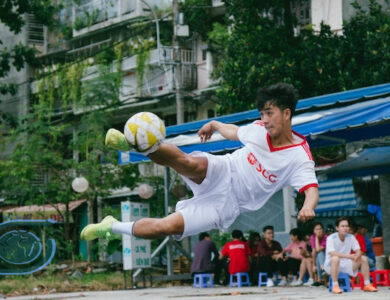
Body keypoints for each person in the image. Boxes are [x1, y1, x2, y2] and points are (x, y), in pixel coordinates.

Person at [80, 83, 319, 243]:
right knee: (188, 163)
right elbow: (235, 131)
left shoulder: (299, 155)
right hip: (226, 170)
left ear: (286, 113)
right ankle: (133, 143)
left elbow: (311, 188)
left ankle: (110, 227)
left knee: (166, 227)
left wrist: (308, 206)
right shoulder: (259, 130)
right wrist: (214, 124)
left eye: (269, 113)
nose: (264, 120)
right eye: (262, 114)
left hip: (228, 203)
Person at [323, 217, 377, 294]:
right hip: (331, 265)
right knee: (335, 258)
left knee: (363, 258)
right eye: (342, 226)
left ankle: (367, 284)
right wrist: (350, 256)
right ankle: (335, 286)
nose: (345, 228)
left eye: (347, 226)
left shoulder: (351, 237)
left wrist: (357, 256)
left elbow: (358, 250)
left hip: (346, 264)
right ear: (337, 228)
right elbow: (332, 253)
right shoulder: (331, 238)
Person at [310, 222, 327, 286]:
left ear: (322, 229)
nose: (319, 231)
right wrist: (313, 265)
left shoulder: (326, 237)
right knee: (318, 255)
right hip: (319, 260)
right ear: (313, 231)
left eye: (320, 229)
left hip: (327, 257)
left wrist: (316, 238)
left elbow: (318, 249)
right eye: (316, 229)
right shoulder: (312, 237)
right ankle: (323, 271)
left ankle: (320, 279)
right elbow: (314, 251)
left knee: (320, 253)